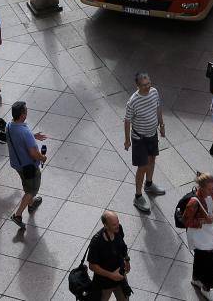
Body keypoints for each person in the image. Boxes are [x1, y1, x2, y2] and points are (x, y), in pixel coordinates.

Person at [124, 71, 167, 213]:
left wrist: (161, 125)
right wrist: (127, 140)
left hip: (152, 134)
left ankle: (149, 184)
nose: (148, 87)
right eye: (144, 85)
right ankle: (138, 196)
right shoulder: (133, 101)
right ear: (137, 85)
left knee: (152, 159)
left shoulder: (154, 92)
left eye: (149, 83)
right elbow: (127, 120)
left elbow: (158, 108)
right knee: (142, 167)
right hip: (139, 139)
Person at [183, 172, 213, 299]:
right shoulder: (193, 202)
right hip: (200, 237)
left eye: (212, 188)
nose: (212, 191)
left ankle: (196, 278)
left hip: (206, 234)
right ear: (201, 187)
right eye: (209, 188)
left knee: (199, 258)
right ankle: (206, 289)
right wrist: (203, 221)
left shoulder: (210, 195)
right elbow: (186, 221)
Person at [6, 101, 48, 228]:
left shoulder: (9, 125)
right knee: (32, 189)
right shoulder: (25, 132)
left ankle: (31, 204)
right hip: (28, 166)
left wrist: (33, 135)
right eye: (26, 110)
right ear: (23, 115)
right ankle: (17, 215)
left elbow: (19, 138)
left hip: (17, 164)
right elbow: (34, 153)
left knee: (26, 183)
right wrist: (43, 158)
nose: (27, 112)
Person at [86, 211, 131, 300]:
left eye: (118, 222)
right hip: (104, 282)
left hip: (120, 275)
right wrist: (111, 275)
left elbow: (123, 246)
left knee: (124, 299)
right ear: (106, 226)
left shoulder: (118, 229)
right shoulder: (97, 242)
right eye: (114, 224)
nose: (117, 225)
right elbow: (92, 266)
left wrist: (127, 260)